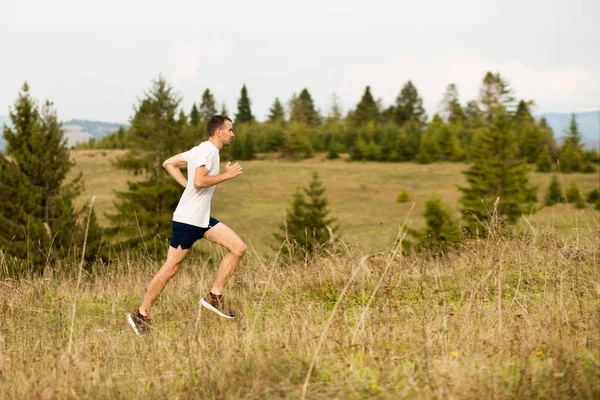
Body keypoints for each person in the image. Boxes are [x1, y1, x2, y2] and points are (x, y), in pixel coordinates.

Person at [127, 115, 246, 336]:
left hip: (201, 219)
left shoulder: (199, 150)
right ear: (218, 131)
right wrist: (226, 176)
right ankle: (140, 314)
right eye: (230, 130)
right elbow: (200, 182)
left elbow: (168, 163)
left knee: (238, 248)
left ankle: (214, 296)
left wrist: (186, 186)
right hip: (188, 221)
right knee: (170, 269)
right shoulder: (208, 152)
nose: (232, 134)